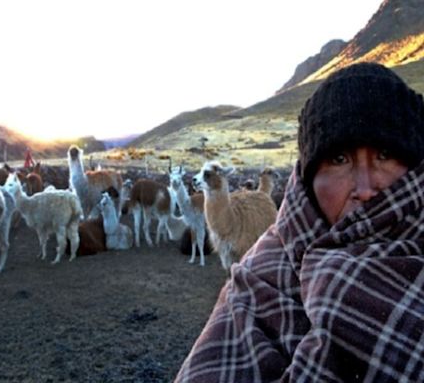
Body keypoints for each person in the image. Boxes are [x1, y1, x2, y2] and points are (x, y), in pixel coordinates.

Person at [175, 62, 424, 382]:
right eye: (339, 159)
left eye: (385, 154)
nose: (364, 189)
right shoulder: (259, 282)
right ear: (309, 178)